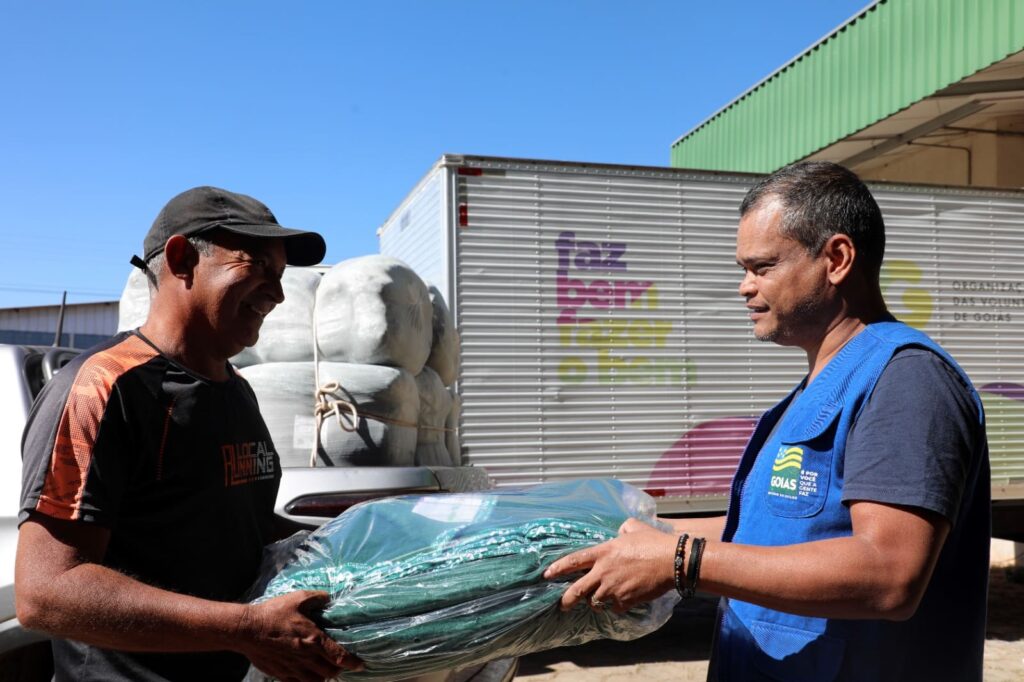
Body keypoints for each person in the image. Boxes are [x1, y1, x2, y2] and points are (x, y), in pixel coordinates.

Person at [545, 162, 991, 681]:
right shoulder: (813, 390)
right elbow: (768, 528)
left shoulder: (907, 380)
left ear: (837, 259)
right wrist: (638, 535)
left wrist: (682, 560)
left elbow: (889, 573)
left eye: (761, 267)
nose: (744, 287)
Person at [16, 186, 362, 682]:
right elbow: (46, 593)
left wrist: (348, 544)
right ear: (181, 259)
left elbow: (231, 527)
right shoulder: (104, 388)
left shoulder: (237, 391)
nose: (278, 293)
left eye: (282, 276)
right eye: (258, 265)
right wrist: (245, 628)